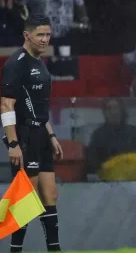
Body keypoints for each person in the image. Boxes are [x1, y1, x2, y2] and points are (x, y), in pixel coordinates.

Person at [0, 14, 64, 252]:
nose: (45, 39)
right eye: (40, 35)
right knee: (26, 198)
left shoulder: (39, 61)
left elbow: (39, 106)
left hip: (41, 136)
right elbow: (6, 104)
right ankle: (15, 250)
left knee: (51, 194)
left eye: (48, 34)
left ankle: (54, 248)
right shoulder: (16, 64)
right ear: (27, 35)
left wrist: (51, 135)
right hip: (24, 137)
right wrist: (13, 143)